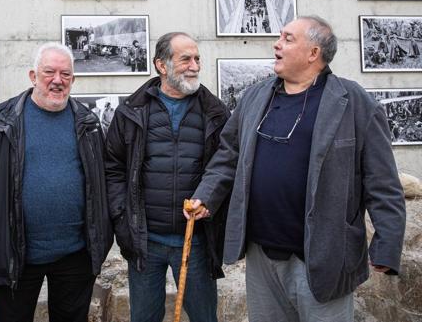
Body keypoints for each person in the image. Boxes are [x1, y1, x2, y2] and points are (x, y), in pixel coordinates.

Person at [188, 16, 406, 322]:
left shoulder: (355, 102)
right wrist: (206, 196)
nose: (277, 44)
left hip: (323, 257)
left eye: (288, 39)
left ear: (313, 53)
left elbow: (382, 182)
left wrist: (386, 245)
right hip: (261, 255)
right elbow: (229, 154)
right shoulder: (255, 96)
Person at [0, 43, 112, 322]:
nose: (57, 80)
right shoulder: (0, 120)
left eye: (65, 74)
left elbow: (101, 183)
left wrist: (100, 236)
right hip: (17, 251)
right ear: (33, 76)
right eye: (49, 72)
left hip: (75, 253)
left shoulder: (88, 123)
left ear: (73, 79)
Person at [106, 32, 230, 322]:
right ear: (161, 65)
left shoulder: (215, 112)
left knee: (203, 317)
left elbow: (228, 165)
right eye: (185, 58)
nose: (195, 65)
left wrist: (209, 199)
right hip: (145, 243)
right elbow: (112, 168)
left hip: (196, 241)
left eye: (197, 58)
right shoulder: (131, 112)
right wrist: (123, 219)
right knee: (144, 317)